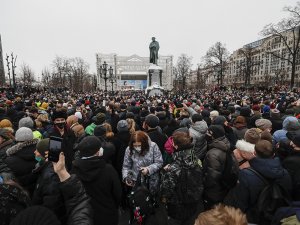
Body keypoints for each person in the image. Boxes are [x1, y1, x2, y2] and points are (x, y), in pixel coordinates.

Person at [225, 140, 292, 224]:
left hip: (255, 218)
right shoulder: (284, 173)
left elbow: (240, 202)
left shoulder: (246, 175)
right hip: (278, 216)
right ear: (273, 154)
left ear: (254, 153)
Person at [72, 136, 121, 225]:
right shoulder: (108, 170)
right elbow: (117, 193)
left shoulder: (74, 170)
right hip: (107, 215)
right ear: (97, 151)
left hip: (84, 216)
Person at [160, 131, 204, 225]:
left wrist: (165, 172)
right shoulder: (196, 159)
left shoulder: (173, 168)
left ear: (175, 146)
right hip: (194, 200)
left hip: (177, 205)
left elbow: (166, 190)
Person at [203, 125, 238, 209]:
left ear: (214, 135)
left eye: (208, 132)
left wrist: (204, 184)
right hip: (224, 187)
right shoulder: (226, 143)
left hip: (214, 191)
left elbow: (211, 177)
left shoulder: (213, 154)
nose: (206, 134)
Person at [31, 138, 66, 222]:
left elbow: (52, 205)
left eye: (38, 150)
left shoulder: (51, 175)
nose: (35, 152)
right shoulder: (46, 167)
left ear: (45, 154)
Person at [122, 130, 163, 195]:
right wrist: (126, 177)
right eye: (135, 145)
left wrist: (148, 169)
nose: (137, 148)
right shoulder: (129, 149)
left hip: (151, 182)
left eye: (139, 145)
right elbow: (126, 166)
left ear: (144, 143)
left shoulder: (153, 146)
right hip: (136, 181)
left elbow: (159, 162)